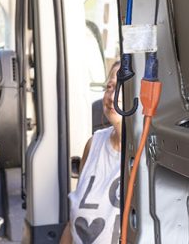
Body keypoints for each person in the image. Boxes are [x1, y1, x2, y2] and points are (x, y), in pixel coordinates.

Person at [60, 61, 122, 244]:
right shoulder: (94, 143)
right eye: (109, 87)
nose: (111, 96)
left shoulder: (147, 156)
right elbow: (73, 222)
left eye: (120, 88)